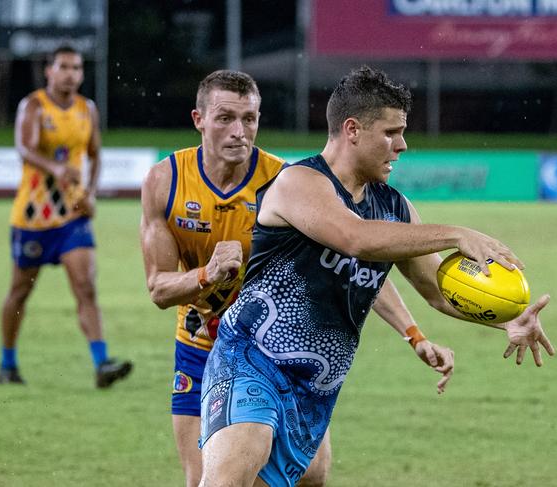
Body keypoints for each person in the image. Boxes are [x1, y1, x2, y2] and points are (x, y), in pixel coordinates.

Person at [198, 66, 555, 487]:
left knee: (312, 478)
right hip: (253, 360)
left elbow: (438, 292)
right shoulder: (301, 182)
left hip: (316, 386)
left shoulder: (394, 208)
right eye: (392, 132)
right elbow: (355, 238)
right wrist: (458, 233)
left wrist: (505, 320)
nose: (402, 145)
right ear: (352, 129)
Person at [140, 70, 455, 487]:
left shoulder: (283, 180)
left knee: (312, 475)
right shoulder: (167, 181)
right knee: (213, 477)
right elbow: (159, 289)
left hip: (293, 357)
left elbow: (355, 266)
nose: (239, 131)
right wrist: (206, 275)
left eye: (249, 119)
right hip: (206, 345)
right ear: (198, 119)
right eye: (225, 119)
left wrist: (413, 333)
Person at [0, 45, 133, 388]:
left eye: (76, 68)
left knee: (86, 287)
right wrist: (56, 166)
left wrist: (90, 192)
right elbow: (24, 147)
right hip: (34, 215)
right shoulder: (33, 106)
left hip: (72, 214)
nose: (71, 73)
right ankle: (7, 362)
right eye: (64, 67)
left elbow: (95, 155)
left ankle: (102, 364)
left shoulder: (87, 109)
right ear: (49, 71)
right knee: (19, 293)